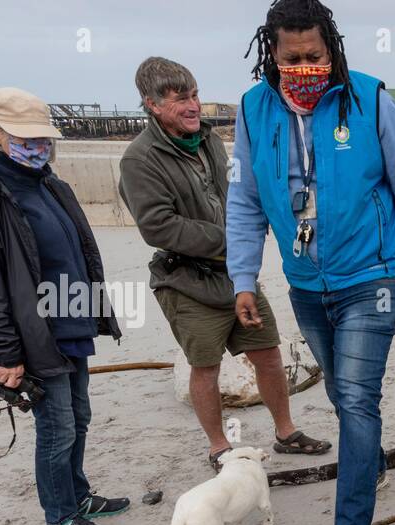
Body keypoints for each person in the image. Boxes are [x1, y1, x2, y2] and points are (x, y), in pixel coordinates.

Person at [227, 0, 395, 525]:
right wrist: (243, 277)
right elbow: (245, 204)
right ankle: (368, 461)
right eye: (292, 57)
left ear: (333, 51)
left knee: (354, 397)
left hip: (371, 276)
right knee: (341, 391)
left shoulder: (369, 100)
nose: (304, 67)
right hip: (305, 285)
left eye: (314, 56)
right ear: (271, 54)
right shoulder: (252, 112)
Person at [120, 56, 330, 470]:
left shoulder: (212, 141)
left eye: (195, 95)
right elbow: (158, 228)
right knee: (205, 367)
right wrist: (232, 239)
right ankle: (218, 446)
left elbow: (240, 193)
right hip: (188, 282)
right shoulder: (138, 160)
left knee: (268, 352)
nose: (193, 106)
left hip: (236, 275)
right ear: (153, 104)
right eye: (180, 99)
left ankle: (286, 432)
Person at [0, 88, 128, 525]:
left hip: (70, 320)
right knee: (57, 425)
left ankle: (79, 495)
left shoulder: (50, 184)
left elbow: (77, 254)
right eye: (25, 138)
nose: (37, 147)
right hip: (31, 334)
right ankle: (60, 517)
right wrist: (4, 351)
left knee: (79, 415)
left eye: (42, 139)